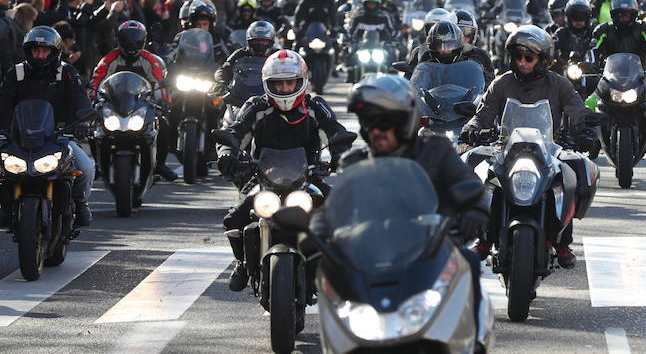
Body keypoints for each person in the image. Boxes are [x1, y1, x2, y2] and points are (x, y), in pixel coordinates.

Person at [314, 73, 488, 332]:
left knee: (468, 262)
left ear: (405, 120)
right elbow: (334, 208)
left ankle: (471, 341)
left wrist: (473, 210)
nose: (377, 131)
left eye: (385, 122)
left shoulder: (435, 150)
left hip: (431, 252)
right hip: (369, 259)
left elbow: (469, 187)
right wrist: (315, 232)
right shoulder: (355, 162)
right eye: (370, 123)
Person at [216, 50, 352, 291]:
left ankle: (335, 267)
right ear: (267, 84)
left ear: (302, 82)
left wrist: (342, 155)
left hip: (307, 177)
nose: (286, 88)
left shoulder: (315, 106)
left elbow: (336, 131)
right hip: (262, 179)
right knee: (234, 219)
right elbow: (236, 132)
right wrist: (227, 152)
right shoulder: (256, 106)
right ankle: (241, 263)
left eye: (290, 82)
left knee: (339, 213)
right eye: (278, 83)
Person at [459, 25, 594, 267]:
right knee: (475, 170)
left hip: (549, 149)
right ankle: (485, 238)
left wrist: (585, 129)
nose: (522, 63)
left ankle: (563, 242)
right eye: (518, 57)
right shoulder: (501, 83)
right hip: (506, 149)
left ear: (542, 60)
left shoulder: (560, 84)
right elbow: (483, 115)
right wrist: (473, 130)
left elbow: (578, 111)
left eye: (528, 58)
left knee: (572, 176)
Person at [0, 27, 95, 227]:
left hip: (58, 137)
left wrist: (83, 122)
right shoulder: (16, 73)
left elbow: (80, 98)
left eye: (45, 51)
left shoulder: (66, 72)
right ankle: (5, 207)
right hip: (20, 139)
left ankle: (80, 203)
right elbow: (3, 103)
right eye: (36, 50)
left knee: (85, 168)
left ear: (54, 52)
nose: (40, 55)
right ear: (28, 51)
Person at [91, 20, 176, 181]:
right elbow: (97, 80)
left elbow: (158, 82)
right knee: (95, 128)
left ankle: (160, 164)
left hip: (141, 104)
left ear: (143, 41)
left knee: (163, 125)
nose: (132, 45)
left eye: (136, 42)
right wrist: (94, 98)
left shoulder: (150, 60)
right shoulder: (109, 59)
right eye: (127, 41)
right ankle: (98, 164)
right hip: (115, 104)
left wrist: (164, 100)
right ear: (119, 41)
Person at [588, 0, 646, 150]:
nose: (624, 17)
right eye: (620, 14)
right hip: (608, 78)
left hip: (637, 78)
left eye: (627, 14)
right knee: (588, 105)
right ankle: (594, 136)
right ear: (614, 14)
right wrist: (589, 62)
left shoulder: (644, 28)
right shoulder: (604, 29)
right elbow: (593, 48)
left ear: (634, 14)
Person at [212, 20, 277, 97]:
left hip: (269, 96)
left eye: (264, 41)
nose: (260, 44)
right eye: (256, 41)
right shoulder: (240, 53)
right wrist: (221, 81)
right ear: (249, 41)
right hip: (239, 95)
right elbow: (224, 69)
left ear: (271, 42)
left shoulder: (276, 55)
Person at [552, 0, 594, 73]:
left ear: (588, 18)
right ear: (568, 18)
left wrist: (595, 63)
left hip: (590, 71)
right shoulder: (561, 32)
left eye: (582, 18)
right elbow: (551, 47)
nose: (579, 21)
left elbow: (601, 49)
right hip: (565, 71)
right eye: (575, 17)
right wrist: (559, 63)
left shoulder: (594, 32)